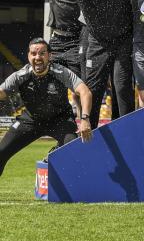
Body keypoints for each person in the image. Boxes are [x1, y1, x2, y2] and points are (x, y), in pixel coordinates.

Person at [17, 0, 135, 127]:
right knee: (92, 91)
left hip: (123, 41)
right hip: (97, 43)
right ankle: (91, 139)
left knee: (122, 88)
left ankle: (126, 135)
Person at [0, 39, 93, 176]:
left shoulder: (61, 72)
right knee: (1, 152)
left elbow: (85, 92)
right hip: (31, 120)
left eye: (42, 53)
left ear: (50, 56)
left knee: (73, 149)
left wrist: (85, 119)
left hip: (60, 120)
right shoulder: (20, 75)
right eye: (33, 53)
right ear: (28, 56)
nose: (37, 57)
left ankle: (55, 155)